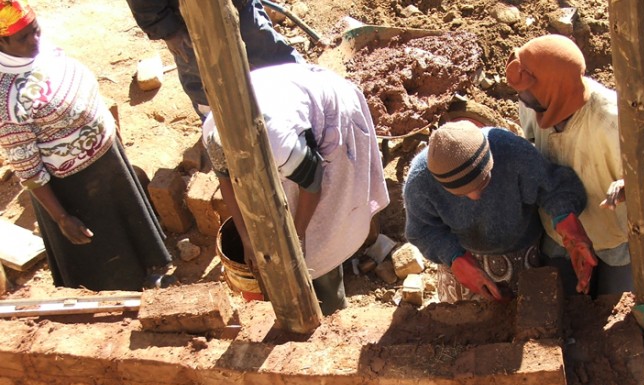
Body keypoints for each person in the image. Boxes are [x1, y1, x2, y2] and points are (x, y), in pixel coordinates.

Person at [0, 0, 172, 291]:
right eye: (24, 37)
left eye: (36, 30)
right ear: (2, 41)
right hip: (73, 187)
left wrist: (108, 130)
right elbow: (27, 169)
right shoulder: (7, 101)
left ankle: (154, 270)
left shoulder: (44, 49)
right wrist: (62, 217)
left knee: (132, 226)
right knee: (104, 251)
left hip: (108, 159)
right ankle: (120, 300)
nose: (35, 40)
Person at [505, 35, 644, 296]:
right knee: (560, 301)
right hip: (560, 231)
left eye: (532, 102)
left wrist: (638, 186)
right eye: (525, 102)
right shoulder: (532, 97)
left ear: (555, 94)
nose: (527, 106)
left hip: (613, 236)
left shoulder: (615, 120)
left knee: (616, 303)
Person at [203, 62, 389, 315]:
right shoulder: (216, 136)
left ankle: (332, 302)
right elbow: (226, 183)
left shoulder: (281, 144)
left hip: (327, 109)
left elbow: (313, 186)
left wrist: (297, 237)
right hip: (282, 102)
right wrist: (247, 238)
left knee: (324, 232)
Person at [403, 120, 594, 303]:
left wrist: (565, 218)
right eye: (461, 193)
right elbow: (422, 231)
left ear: (491, 159)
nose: (475, 196)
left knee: (528, 318)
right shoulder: (420, 182)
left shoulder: (511, 151)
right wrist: (453, 256)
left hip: (521, 250)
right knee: (464, 323)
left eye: (483, 182)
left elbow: (554, 187)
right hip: (462, 259)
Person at [125, 0, 303, 117]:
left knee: (264, 46)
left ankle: (305, 93)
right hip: (182, 21)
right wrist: (166, 29)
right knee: (200, 77)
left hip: (237, 6)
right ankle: (216, 132)